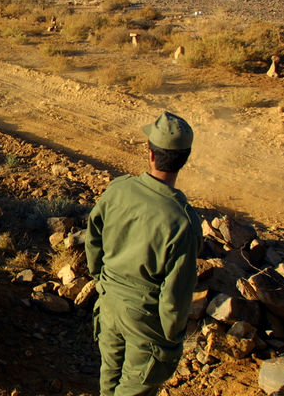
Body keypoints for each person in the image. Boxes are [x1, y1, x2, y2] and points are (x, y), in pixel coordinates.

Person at [85, 111, 202, 396]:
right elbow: (177, 292)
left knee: (109, 378)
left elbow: (93, 239)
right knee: (134, 387)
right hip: (146, 315)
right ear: (185, 159)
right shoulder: (183, 221)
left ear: (150, 154)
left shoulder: (118, 189)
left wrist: (101, 279)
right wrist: (171, 336)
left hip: (109, 300)